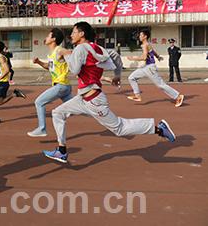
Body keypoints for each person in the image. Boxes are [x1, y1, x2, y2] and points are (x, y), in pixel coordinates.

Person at [43, 22, 177, 163]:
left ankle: (159, 129)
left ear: (82, 34)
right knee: (58, 113)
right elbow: (115, 56)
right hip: (83, 98)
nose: (71, 35)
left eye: (74, 32)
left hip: (94, 101)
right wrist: (117, 75)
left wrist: (66, 55)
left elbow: (74, 70)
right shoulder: (98, 48)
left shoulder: (80, 48)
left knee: (119, 128)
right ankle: (61, 151)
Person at [28, 28, 72, 137]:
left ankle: (42, 128)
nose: (46, 38)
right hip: (65, 87)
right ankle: (99, 113)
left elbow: (70, 52)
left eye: (48, 36)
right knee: (81, 107)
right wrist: (38, 62)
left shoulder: (59, 50)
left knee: (39, 102)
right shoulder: (53, 53)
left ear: (53, 39)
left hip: (61, 86)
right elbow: (49, 67)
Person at [127, 29, 184, 107]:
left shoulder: (145, 45)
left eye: (141, 35)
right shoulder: (147, 44)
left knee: (161, 85)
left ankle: (178, 96)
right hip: (146, 67)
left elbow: (144, 57)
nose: (139, 37)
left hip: (150, 68)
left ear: (145, 36)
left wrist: (133, 58)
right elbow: (153, 51)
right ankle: (137, 95)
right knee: (131, 78)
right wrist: (158, 57)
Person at [0, 40, 26, 124]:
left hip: (2, 83)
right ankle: (14, 94)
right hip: (2, 83)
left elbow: (7, 70)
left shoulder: (1, 57)